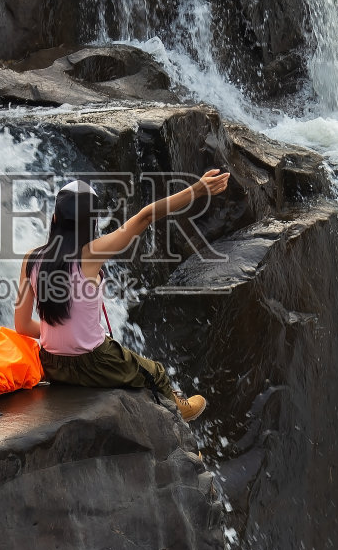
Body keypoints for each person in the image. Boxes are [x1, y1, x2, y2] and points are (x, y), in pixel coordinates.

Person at [13, 171, 230, 422]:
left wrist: (62, 333)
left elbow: (22, 325)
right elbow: (145, 216)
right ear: (91, 224)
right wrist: (198, 189)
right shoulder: (92, 253)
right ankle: (182, 417)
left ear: (54, 218)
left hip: (50, 365)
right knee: (156, 373)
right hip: (92, 362)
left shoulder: (31, 259)